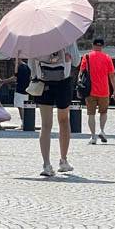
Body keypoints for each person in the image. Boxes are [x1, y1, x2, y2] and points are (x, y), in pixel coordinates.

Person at [32, 44, 79, 177]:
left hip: (43, 81)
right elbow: (76, 61)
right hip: (63, 82)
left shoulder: (37, 38)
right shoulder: (67, 36)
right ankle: (63, 160)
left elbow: (31, 64)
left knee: (46, 124)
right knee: (64, 121)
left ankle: (46, 164)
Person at [81, 37, 115, 144]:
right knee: (103, 112)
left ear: (93, 45)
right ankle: (102, 130)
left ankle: (93, 137)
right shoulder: (107, 57)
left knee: (91, 114)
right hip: (104, 90)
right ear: (102, 46)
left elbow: (81, 73)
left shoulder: (86, 57)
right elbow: (112, 76)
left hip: (90, 90)